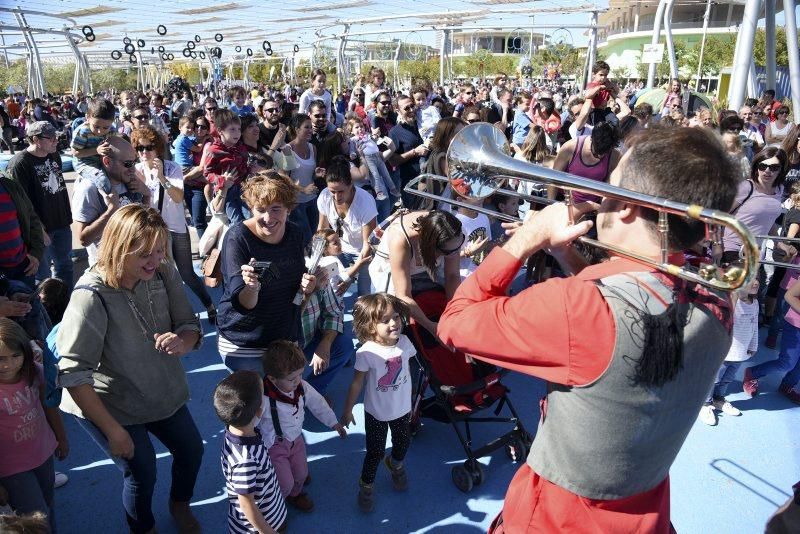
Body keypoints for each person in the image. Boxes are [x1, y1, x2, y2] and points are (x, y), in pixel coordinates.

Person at [438, 126, 740, 532]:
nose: (597, 196)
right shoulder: (717, 299)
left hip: (555, 520)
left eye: (611, 186)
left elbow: (455, 323)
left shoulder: (577, 307)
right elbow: (639, 309)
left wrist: (525, 239)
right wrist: (566, 255)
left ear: (631, 209)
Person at [57, 204, 203, 533]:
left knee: (192, 450)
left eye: (159, 249)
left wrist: (184, 341)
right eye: (143, 254)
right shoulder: (90, 296)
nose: (155, 260)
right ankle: (144, 528)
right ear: (118, 248)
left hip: (160, 391)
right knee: (141, 471)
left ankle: (179, 504)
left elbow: (189, 325)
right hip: (113, 404)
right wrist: (113, 430)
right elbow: (73, 374)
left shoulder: (163, 271)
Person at [216, 172, 316, 375]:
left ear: (289, 209)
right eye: (260, 209)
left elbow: (297, 283)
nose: (268, 218)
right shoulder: (238, 238)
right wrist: (252, 287)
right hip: (245, 341)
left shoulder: (296, 234)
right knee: (259, 403)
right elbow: (244, 304)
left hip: (285, 336)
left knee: (287, 399)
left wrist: (308, 286)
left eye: (276, 209)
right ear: (250, 208)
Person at [131, 125, 216, 321]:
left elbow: (178, 198)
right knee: (159, 275)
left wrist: (161, 178)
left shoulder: (172, 168)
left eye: (149, 147)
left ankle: (209, 305)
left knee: (186, 272)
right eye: (140, 148)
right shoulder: (135, 170)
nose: (144, 152)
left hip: (176, 227)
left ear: (158, 147)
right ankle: (169, 317)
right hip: (153, 232)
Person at [341, 293, 417, 513]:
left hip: (402, 409)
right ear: (370, 327)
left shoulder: (405, 342)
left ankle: (396, 464)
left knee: (403, 444)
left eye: (395, 317)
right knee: (374, 452)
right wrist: (347, 411)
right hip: (376, 413)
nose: (394, 322)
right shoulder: (366, 352)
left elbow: (409, 370)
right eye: (385, 320)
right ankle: (366, 485)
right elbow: (357, 383)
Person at [258, 340, 346, 512]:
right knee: (284, 483)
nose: (298, 381)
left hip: (296, 440)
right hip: (275, 446)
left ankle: (295, 494)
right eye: (292, 378)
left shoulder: (301, 387)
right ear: (272, 379)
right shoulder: (263, 398)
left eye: (300, 375)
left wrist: (334, 422)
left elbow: (318, 404)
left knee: (301, 475)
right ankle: (273, 509)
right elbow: (250, 423)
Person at [0, 318, 68, 533]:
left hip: (43, 454)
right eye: (0, 358)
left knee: (48, 507)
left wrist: (61, 437)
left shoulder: (35, 372)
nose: (7, 365)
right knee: (34, 519)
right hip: (10, 468)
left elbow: (49, 406)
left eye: (15, 356)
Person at [368, 209, 462, 337]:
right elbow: (403, 296)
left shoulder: (450, 231)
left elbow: (452, 276)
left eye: (457, 248)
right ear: (431, 246)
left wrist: (454, 312)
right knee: (389, 322)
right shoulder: (400, 240)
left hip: (424, 266)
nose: (454, 254)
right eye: (448, 252)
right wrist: (432, 327)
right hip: (391, 271)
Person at [214, 371, 287, 533]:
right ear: (260, 411)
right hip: (256, 527)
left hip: (271, 509)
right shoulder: (245, 461)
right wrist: (267, 531)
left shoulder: (234, 429)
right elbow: (246, 505)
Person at [6, 120, 72, 288]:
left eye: (57, 137)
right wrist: (40, 232)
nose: (56, 141)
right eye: (51, 138)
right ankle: (47, 311)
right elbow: (21, 205)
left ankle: (65, 303)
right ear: (35, 139)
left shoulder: (53, 154)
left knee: (65, 266)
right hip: (40, 230)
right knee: (42, 276)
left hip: (62, 223)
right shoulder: (19, 164)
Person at [72, 136, 151, 267]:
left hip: (135, 265)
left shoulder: (132, 182)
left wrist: (147, 195)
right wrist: (111, 211)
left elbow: (143, 223)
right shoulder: (89, 189)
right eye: (127, 164)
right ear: (107, 161)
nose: (133, 169)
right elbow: (83, 239)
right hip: (108, 268)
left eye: (134, 162)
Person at [698, 277, 759, 425]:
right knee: (715, 379)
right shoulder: (733, 303)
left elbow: (754, 325)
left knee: (727, 379)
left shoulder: (755, 303)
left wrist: (753, 345)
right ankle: (705, 404)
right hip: (726, 351)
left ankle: (719, 399)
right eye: (750, 279)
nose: (756, 281)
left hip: (741, 353)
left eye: (757, 278)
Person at [317, 156, 378, 296]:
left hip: (362, 253)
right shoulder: (325, 196)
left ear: (351, 185)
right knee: (331, 291)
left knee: (364, 295)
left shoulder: (365, 203)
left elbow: (367, 244)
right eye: (332, 191)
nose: (336, 197)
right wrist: (318, 259)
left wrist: (349, 277)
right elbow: (322, 230)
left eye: (341, 191)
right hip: (338, 249)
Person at [720, 147, 788, 265]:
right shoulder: (746, 187)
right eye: (762, 166)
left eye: (774, 168)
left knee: (755, 284)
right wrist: (716, 245)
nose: (767, 171)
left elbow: (768, 219)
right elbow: (719, 216)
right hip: (732, 249)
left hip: (754, 253)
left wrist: (778, 242)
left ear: (781, 170)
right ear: (756, 167)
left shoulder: (779, 189)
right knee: (749, 284)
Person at [204, 108, 250, 225]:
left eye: (239, 129)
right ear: (220, 131)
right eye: (232, 129)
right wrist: (221, 179)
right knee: (236, 222)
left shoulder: (241, 148)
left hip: (243, 189)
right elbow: (207, 174)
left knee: (250, 217)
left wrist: (251, 169)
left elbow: (245, 168)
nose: (237, 133)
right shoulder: (213, 150)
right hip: (225, 192)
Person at [70, 98, 117, 195]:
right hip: (84, 163)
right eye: (96, 126)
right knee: (102, 180)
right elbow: (75, 152)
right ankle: (112, 200)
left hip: (103, 161)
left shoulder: (112, 130)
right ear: (87, 118)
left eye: (105, 128)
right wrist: (96, 150)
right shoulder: (82, 132)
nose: (100, 131)